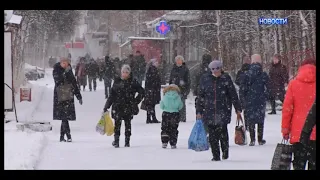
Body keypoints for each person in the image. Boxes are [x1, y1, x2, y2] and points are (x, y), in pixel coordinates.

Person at [196, 60, 242, 161]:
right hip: (209, 111)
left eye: (217, 68)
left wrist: (238, 108)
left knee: (223, 134)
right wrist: (199, 111)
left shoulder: (226, 79)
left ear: (221, 68)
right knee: (212, 136)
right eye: (213, 69)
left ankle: (225, 152)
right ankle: (215, 155)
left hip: (223, 110)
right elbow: (200, 97)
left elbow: (233, 94)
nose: (215, 71)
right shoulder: (205, 79)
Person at [281, 59, 316, 170]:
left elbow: (287, 109)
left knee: (299, 164)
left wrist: (285, 129)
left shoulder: (294, 84)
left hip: (299, 133)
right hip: (314, 133)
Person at [103, 64, 145, 148]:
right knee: (117, 124)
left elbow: (142, 92)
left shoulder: (133, 82)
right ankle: (116, 141)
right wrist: (106, 106)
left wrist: (135, 101)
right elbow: (112, 95)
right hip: (117, 106)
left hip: (128, 106)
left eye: (126, 72)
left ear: (129, 73)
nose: (125, 74)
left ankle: (127, 141)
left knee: (127, 124)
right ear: (121, 73)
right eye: (123, 72)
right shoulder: (117, 81)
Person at [239, 54, 269, 146]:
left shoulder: (246, 74)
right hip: (260, 99)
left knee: (251, 119)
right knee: (260, 120)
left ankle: (252, 139)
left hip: (250, 100)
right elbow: (269, 87)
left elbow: (242, 89)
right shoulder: (263, 74)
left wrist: (243, 100)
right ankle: (260, 139)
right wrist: (265, 96)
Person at [53, 57, 83, 142]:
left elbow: (74, 83)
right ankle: (68, 136)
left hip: (68, 96)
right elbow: (58, 81)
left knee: (64, 117)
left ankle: (62, 137)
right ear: (60, 63)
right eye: (63, 63)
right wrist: (64, 73)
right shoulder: (56, 69)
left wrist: (79, 96)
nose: (65, 64)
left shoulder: (69, 70)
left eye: (66, 63)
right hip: (60, 96)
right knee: (64, 117)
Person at [160, 84, 183, 149]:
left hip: (166, 114)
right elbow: (180, 106)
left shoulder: (165, 96)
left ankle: (164, 142)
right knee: (174, 128)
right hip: (175, 114)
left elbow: (162, 106)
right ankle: (173, 143)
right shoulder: (178, 96)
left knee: (164, 128)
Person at [169, 55, 191, 122]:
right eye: (177, 60)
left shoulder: (185, 69)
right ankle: (175, 118)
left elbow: (188, 81)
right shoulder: (173, 69)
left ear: (182, 61)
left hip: (182, 89)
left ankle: (182, 118)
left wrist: (186, 90)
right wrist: (170, 88)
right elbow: (171, 79)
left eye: (180, 60)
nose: (178, 62)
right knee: (174, 104)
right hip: (174, 89)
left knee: (182, 104)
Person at [141, 59, 161, 124]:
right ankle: (151, 118)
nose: (157, 63)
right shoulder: (153, 70)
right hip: (152, 90)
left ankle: (150, 118)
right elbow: (153, 80)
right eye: (156, 62)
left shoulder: (151, 70)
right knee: (151, 105)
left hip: (151, 90)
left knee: (150, 105)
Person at [235, 55, 251, 130]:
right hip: (249, 92)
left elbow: (237, 81)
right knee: (250, 109)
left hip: (243, 92)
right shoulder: (251, 70)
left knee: (245, 109)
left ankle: (247, 124)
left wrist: (242, 85)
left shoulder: (240, 71)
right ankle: (250, 124)